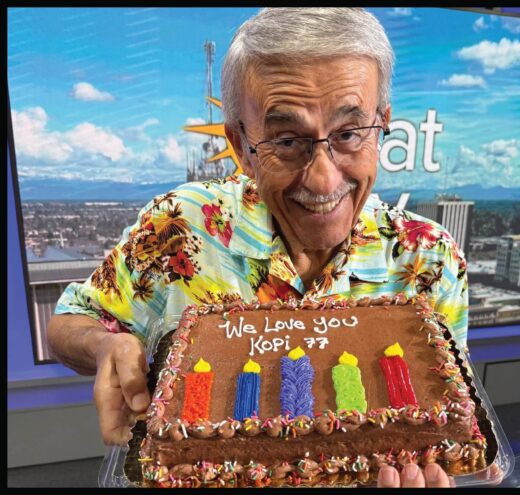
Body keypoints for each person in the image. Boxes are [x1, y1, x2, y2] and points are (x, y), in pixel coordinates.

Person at [45, 8, 477, 487]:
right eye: (286, 140)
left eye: (349, 134)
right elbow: (70, 320)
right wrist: (105, 345)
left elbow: (451, 411)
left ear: (383, 125)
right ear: (240, 145)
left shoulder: (428, 256)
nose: (323, 179)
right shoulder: (179, 227)